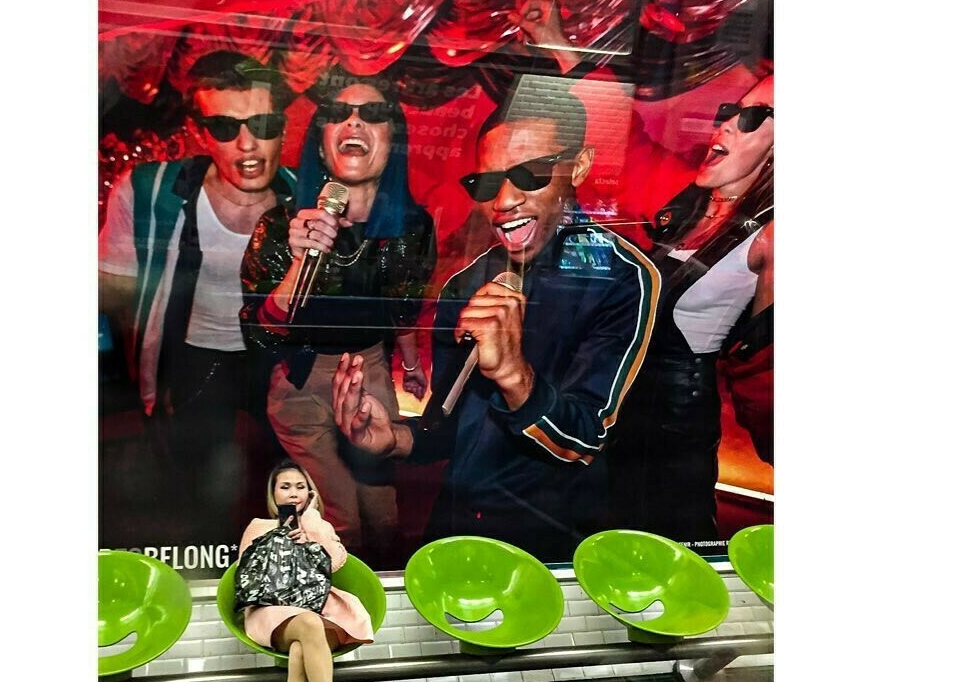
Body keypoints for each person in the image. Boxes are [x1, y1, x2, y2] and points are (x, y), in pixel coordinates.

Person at [329, 77, 660, 563]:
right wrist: (391, 438)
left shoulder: (622, 278)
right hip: (455, 526)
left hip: (552, 543)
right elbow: (445, 428)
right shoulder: (464, 286)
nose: (502, 201)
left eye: (530, 174)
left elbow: (584, 439)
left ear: (581, 165)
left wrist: (514, 377)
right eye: (487, 183)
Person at [239, 69, 436, 565]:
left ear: (392, 141)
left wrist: (409, 366)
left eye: (372, 114)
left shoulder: (412, 225)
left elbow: (403, 310)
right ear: (323, 144)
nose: (354, 122)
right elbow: (260, 333)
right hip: (301, 376)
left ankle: (384, 605)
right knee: (336, 513)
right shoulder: (282, 224)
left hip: (370, 366)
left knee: (382, 505)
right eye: (337, 115)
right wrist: (300, 258)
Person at [98, 50, 294, 543]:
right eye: (225, 127)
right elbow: (113, 287)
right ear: (200, 133)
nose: (247, 144)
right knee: (195, 487)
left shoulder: (306, 196)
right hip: (192, 358)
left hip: (277, 360)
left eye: (262, 124)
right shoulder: (153, 191)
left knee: (287, 484)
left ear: (284, 127)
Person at [607, 74, 774, 540]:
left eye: (754, 117)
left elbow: (766, 369)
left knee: (668, 541)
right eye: (731, 112)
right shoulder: (688, 204)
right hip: (619, 405)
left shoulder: (773, 237)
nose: (725, 126)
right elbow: (628, 136)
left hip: (676, 424)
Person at [238, 461, 370, 682]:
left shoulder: (318, 524)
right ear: (273, 493)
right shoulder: (258, 526)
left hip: (312, 612)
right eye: (285, 486)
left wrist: (311, 527)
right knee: (309, 626)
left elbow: (338, 562)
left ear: (309, 492)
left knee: (302, 648)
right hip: (271, 613)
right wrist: (280, 536)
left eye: (300, 486)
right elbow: (248, 569)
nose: (292, 492)